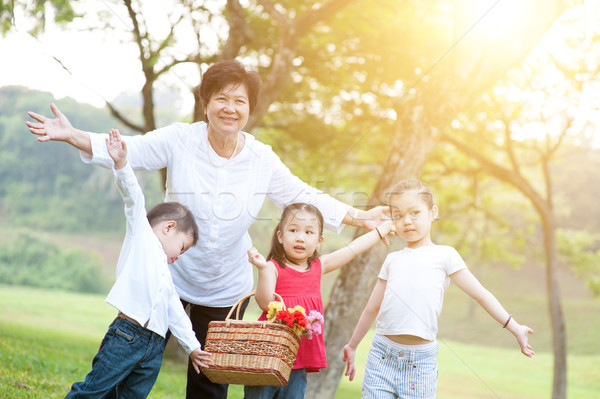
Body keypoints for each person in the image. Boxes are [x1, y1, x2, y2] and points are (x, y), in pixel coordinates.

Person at [25, 59, 389, 399]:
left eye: (240, 101)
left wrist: (361, 216)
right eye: (222, 99)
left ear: (250, 109)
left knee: (210, 385)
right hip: (169, 279)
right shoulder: (180, 139)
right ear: (206, 104)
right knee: (129, 366)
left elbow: (302, 194)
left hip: (223, 290)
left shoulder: (261, 159)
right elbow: (127, 150)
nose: (230, 108)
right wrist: (72, 135)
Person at [342, 179, 535, 398]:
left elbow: (480, 294)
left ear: (433, 212)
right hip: (381, 357)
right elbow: (371, 308)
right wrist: (352, 345)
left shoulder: (446, 256)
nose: (407, 221)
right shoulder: (392, 260)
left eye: (415, 212)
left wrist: (514, 326)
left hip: (420, 365)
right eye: (399, 215)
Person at [64, 129, 212, 398]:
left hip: (154, 347)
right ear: (169, 227)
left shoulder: (164, 275)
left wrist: (192, 346)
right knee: (94, 390)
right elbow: (134, 198)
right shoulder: (141, 236)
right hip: (126, 336)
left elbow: (175, 312)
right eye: (182, 247)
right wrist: (121, 163)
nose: (179, 256)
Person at [246, 203, 395, 399]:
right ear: (280, 237)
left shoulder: (319, 266)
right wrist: (262, 269)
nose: (300, 237)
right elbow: (265, 303)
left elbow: (353, 249)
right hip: (269, 357)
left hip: (300, 360)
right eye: (293, 230)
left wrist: (380, 230)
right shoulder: (273, 267)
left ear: (319, 241)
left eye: (309, 232)